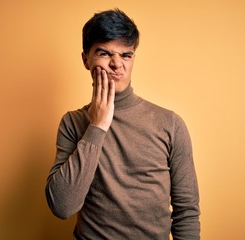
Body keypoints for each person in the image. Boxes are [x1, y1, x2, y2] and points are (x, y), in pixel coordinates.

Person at [45, 8, 200, 240]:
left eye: (126, 55)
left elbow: (186, 212)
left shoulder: (170, 124)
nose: (117, 64)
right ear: (86, 59)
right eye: (104, 53)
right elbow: (62, 207)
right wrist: (96, 127)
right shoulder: (73, 123)